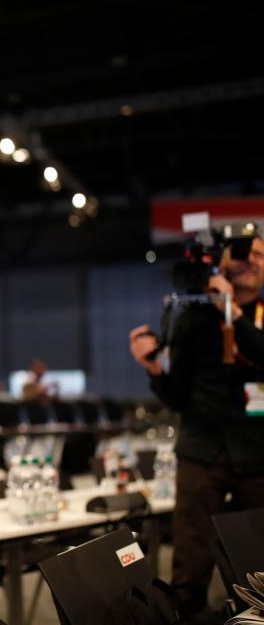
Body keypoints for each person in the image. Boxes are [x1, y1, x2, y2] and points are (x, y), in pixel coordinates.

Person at [129, 235, 264, 614]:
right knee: (189, 568)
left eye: (258, 255)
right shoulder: (192, 316)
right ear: (222, 263)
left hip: (258, 455)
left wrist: (232, 313)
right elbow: (177, 397)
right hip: (202, 453)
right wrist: (153, 366)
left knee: (260, 567)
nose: (250, 261)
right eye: (241, 254)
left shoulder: (258, 316)